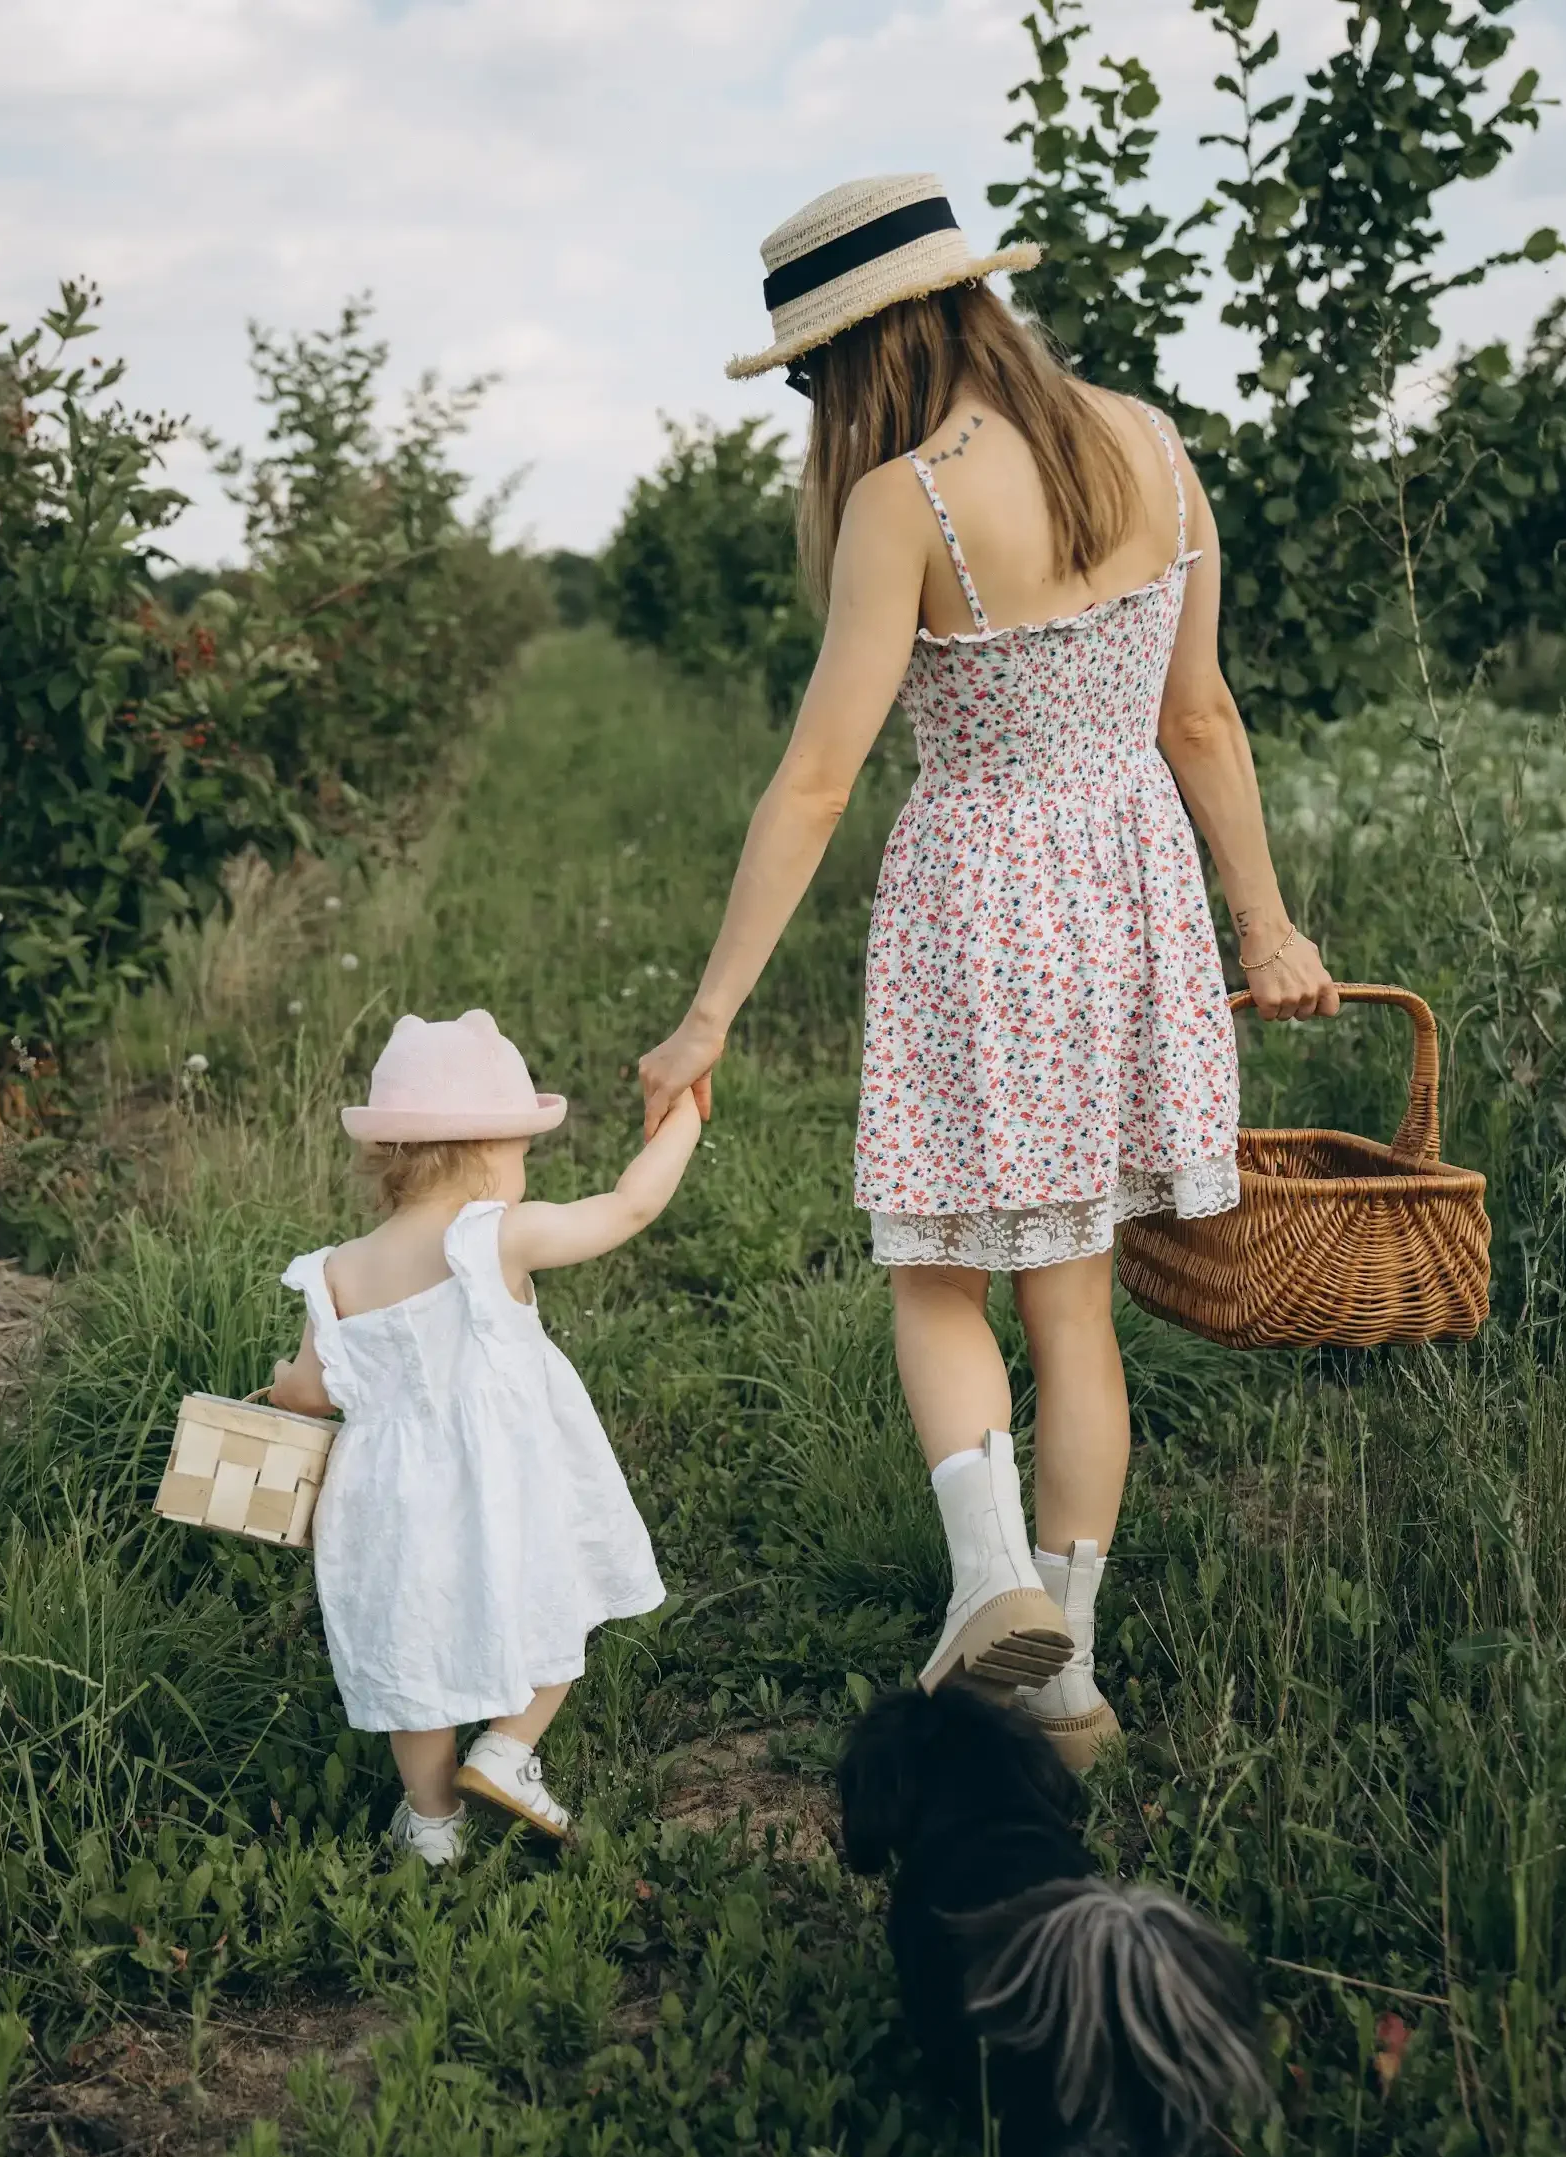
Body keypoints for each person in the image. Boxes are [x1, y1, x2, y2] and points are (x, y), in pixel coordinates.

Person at [638, 175, 1338, 1771]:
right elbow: (1198, 717)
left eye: (813, 375)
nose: (816, 406)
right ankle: (1064, 1680)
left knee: (937, 1272)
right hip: (1132, 894)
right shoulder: (1150, 445)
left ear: (865, 345)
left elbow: (816, 782)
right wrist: (1268, 926)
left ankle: (991, 1585)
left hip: (981, 908)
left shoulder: (908, 500)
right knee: (1073, 1311)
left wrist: (706, 1014)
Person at [270, 1009, 700, 1861]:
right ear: (485, 1153)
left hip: (387, 1500)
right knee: (559, 1605)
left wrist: (281, 1385)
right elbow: (628, 1206)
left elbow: (306, 1394)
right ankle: (505, 1752)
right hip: (510, 1478)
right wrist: (682, 1115)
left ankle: (431, 1822)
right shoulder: (494, 1237)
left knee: (413, 1656)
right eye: (520, 1152)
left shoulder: (336, 1270)